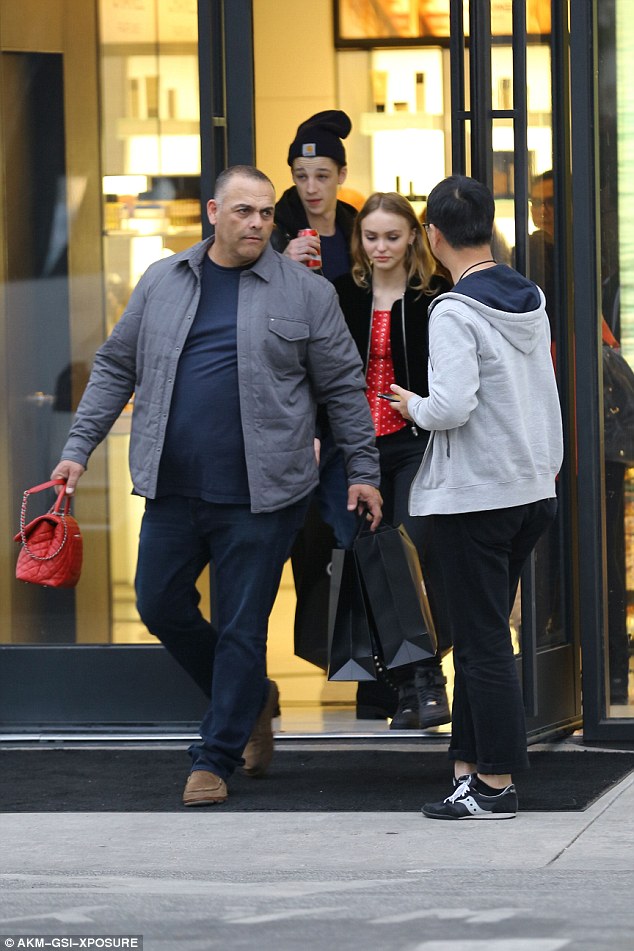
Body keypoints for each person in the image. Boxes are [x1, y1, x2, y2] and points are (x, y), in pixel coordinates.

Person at [51, 165, 382, 807]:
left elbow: (344, 387)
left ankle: (216, 756)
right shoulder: (162, 280)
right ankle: (252, 698)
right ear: (213, 212)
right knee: (159, 603)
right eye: (244, 211)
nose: (257, 223)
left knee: (240, 628)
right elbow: (116, 365)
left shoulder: (304, 293)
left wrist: (363, 471)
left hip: (265, 494)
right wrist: (76, 451)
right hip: (173, 489)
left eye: (264, 213)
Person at [390, 174, 563, 819]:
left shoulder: (454, 311)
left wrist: (412, 404)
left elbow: (452, 406)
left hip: (475, 497)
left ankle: (494, 784)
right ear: (488, 228)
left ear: (432, 239)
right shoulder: (529, 298)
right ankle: (468, 773)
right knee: (481, 633)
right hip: (527, 489)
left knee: (484, 640)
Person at [334, 192, 452, 730]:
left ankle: (423, 682)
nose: (380, 247)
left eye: (392, 236)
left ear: (414, 239)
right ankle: (390, 684)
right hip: (354, 446)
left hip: (411, 441)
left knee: (403, 549)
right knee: (362, 555)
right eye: (370, 236)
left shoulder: (434, 296)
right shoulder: (340, 294)